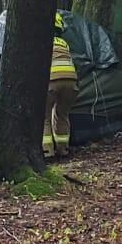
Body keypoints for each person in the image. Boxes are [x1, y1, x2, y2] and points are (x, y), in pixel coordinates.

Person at [45, 11, 78, 159]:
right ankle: (63, 149)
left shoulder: (41, 42)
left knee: (44, 116)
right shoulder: (64, 43)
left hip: (52, 81)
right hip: (71, 81)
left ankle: (47, 151)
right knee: (62, 114)